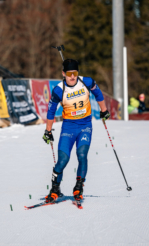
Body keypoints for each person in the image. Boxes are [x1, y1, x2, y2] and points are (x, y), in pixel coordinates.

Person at [43, 59, 110, 203]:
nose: (72, 77)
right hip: (68, 127)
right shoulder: (59, 90)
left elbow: (98, 94)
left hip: (85, 126)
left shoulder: (87, 82)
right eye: (69, 74)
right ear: (63, 73)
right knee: (62, 160)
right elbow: (51, 111)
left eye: (75, 73)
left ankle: (79, 187)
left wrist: (104, 110)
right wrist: (48, 130)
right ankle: (55, 188)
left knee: (82, 154)